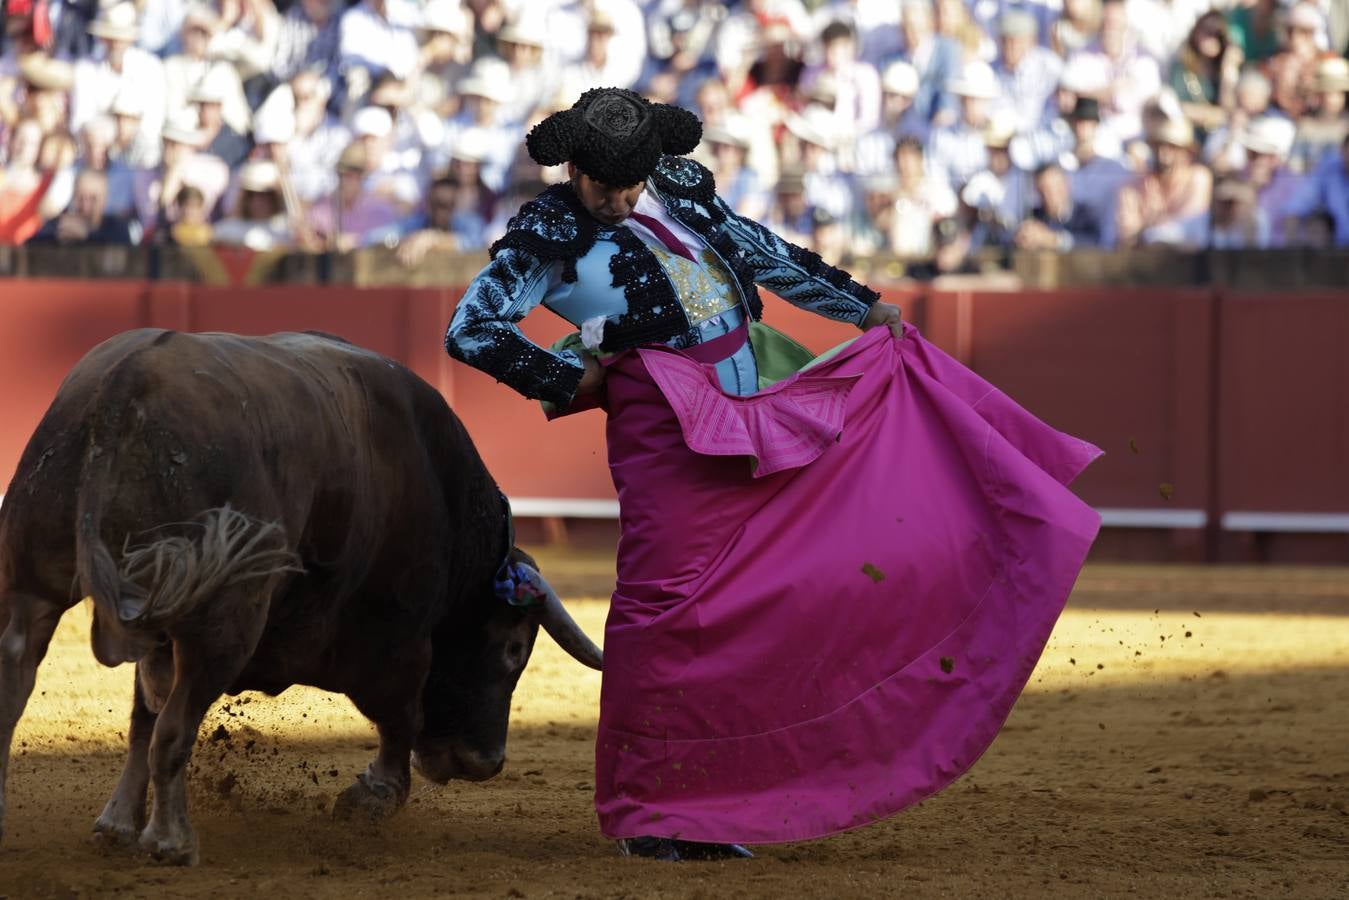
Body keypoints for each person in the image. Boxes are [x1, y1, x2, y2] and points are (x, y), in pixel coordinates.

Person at [444, 87, 1101, 862]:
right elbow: (471, 329)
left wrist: (861, 309)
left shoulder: (679, 196)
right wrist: (566, 380)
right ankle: (652, 809)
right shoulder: (545, 236)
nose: (617, 200)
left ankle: (726, 791)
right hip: (664, 427)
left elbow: (764, 255)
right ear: (573, 169)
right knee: (664, 606)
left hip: (754, 402)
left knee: (776, 584)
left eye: (629, 184)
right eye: (601, 186)